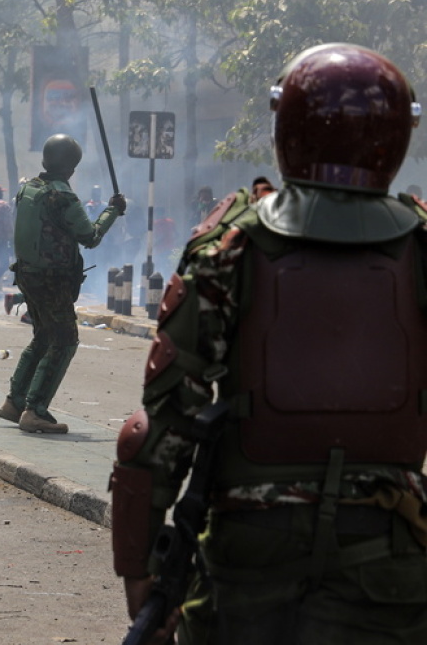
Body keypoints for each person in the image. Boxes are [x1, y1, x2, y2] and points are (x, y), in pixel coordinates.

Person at [111, 43, 427, 644]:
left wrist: (142, 574)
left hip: (248, 555)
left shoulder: (231, 246)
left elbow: (157, 430)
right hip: (391, 554)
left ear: (287, 124)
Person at [0, 134, 125, 434]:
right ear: (70, 167)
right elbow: (90, 236)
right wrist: (113, 211)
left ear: (45, 160)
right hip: (52, 280)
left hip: (27, 274)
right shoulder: (62, 195)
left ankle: (15, 402)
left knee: (43, 337)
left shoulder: (27, 188)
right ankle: (35, 410)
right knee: (65, 340)